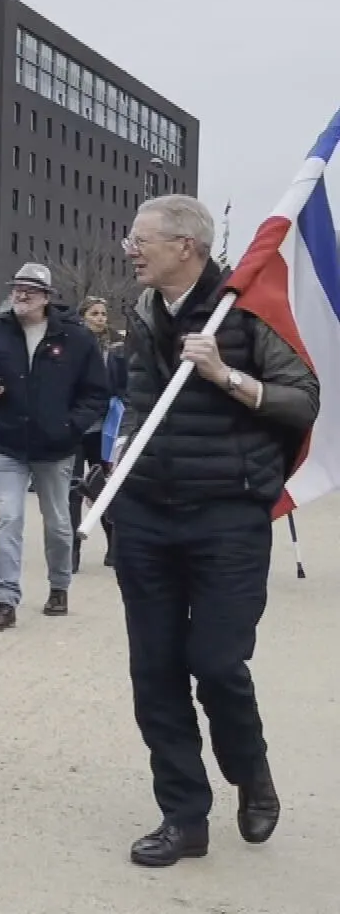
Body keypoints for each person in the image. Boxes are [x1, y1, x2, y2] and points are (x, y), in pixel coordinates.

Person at [111, 196, 315, 868]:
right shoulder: (142, 315)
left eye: (141, 240)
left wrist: (223, 374)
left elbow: (302, 398)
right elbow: (140, 405)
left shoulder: (248, 307)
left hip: (228, 514)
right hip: (146, 516)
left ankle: (251, 773)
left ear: (186, 247)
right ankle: (183, 817)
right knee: (155, 671)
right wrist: (115, 470)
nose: (130, 250)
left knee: (217, 663)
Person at [0, 264, 110, 630]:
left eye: (30, 289)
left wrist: (71, 426)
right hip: (6, 442)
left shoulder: (76, 339)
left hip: (56, 447)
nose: (21, 294)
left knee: (59, 524)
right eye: (17, 288)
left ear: (47, 297)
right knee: (9, 518)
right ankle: (5, 599)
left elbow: (96, 394)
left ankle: (59, 585)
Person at [71, 296, 126, 569]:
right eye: (94, 313)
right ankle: (72, 550)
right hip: (74, 426)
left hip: (103, 430)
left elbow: (121, 386)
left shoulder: (114, 350)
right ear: (83, 316)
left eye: (104, 313)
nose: (100, 318)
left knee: (102, 486)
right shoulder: (72, 345)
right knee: (72, 488)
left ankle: (114, 544)